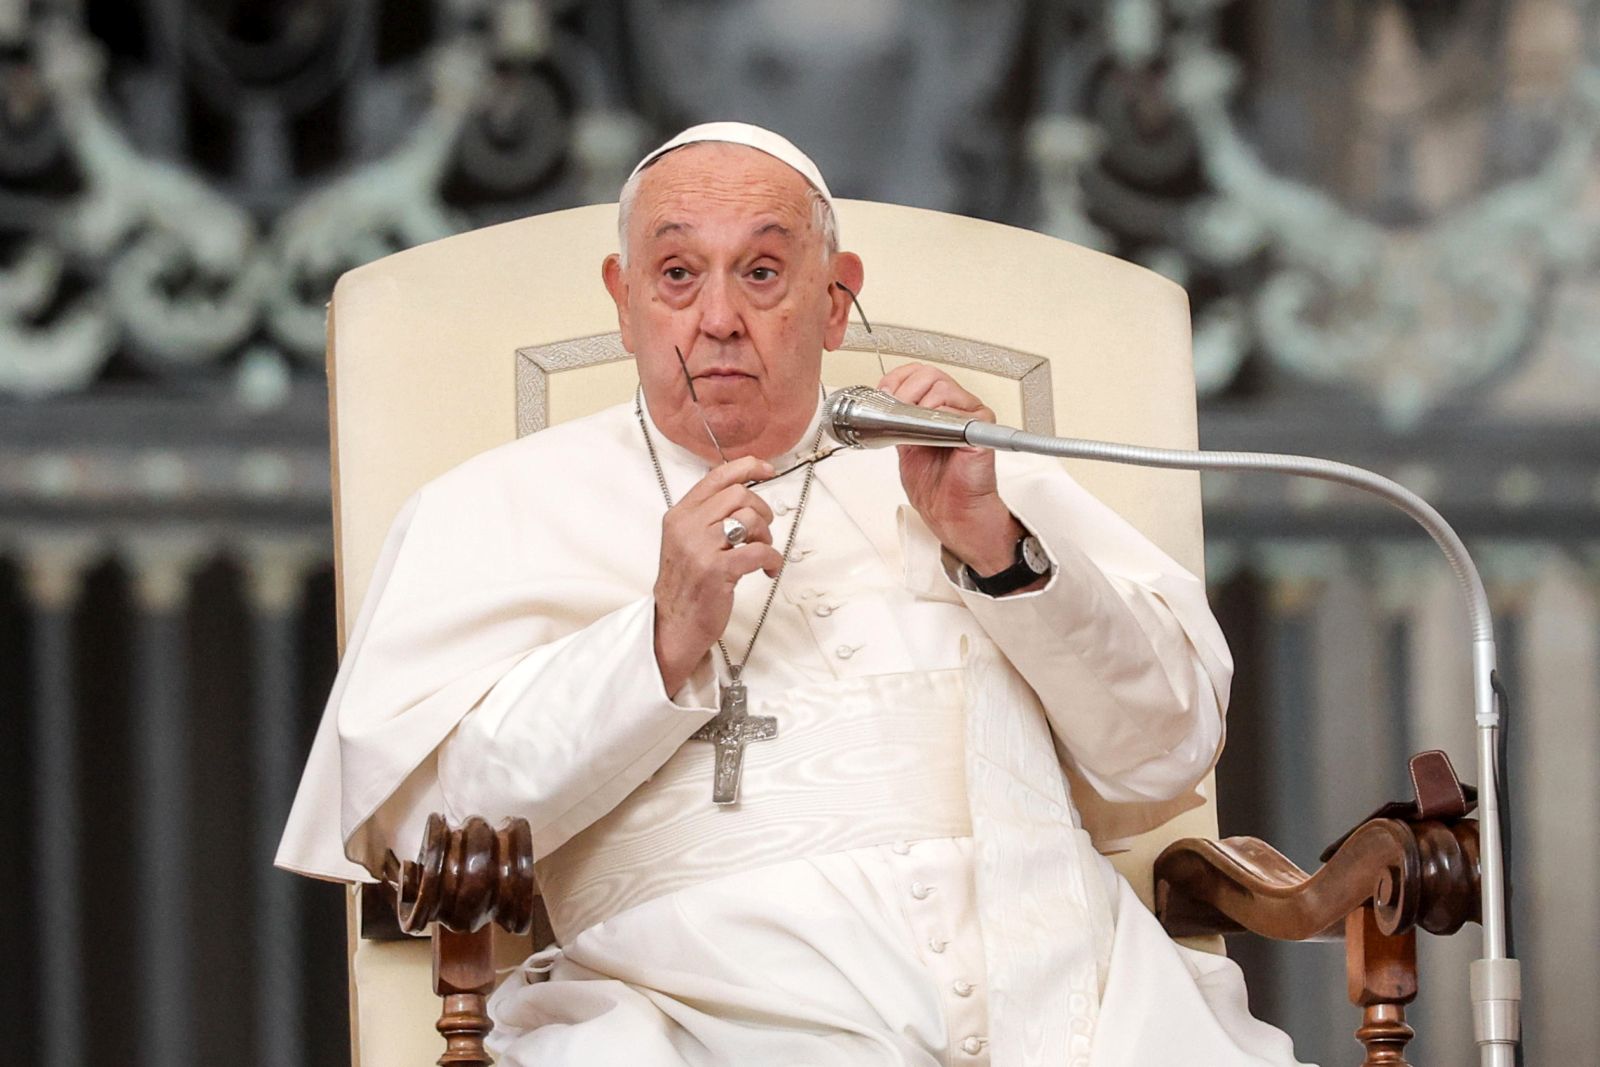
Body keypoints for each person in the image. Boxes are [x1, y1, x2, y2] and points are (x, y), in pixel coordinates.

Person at [278, 122, 1308, 1066]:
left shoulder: (979, 472)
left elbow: (1165, 745)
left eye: (763, 271)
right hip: (698, 1030)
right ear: (623, 297)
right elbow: (425, 838)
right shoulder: (491, 508)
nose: (718, 317)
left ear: (834, 297)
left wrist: (997, 551)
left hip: (1089, 1013)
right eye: (677, 273)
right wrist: (657, 641)